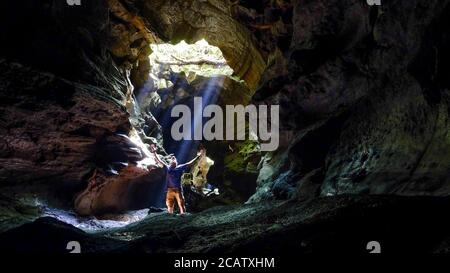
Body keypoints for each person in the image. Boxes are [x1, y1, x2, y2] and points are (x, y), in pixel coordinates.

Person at [150, 144, 203, 214]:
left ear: (177, 162)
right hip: (170, 189)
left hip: (178, 189)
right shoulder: (168, 167)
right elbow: (159, 160)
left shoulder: (180, 167)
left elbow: (190, 163)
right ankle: (170, 214)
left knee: (181, 202)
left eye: (174, 159)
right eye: (172, 159)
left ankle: (183, 214)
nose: (173, 160)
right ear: (170, 162)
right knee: (169, 203)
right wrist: (154, 152)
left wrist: (198, 156)